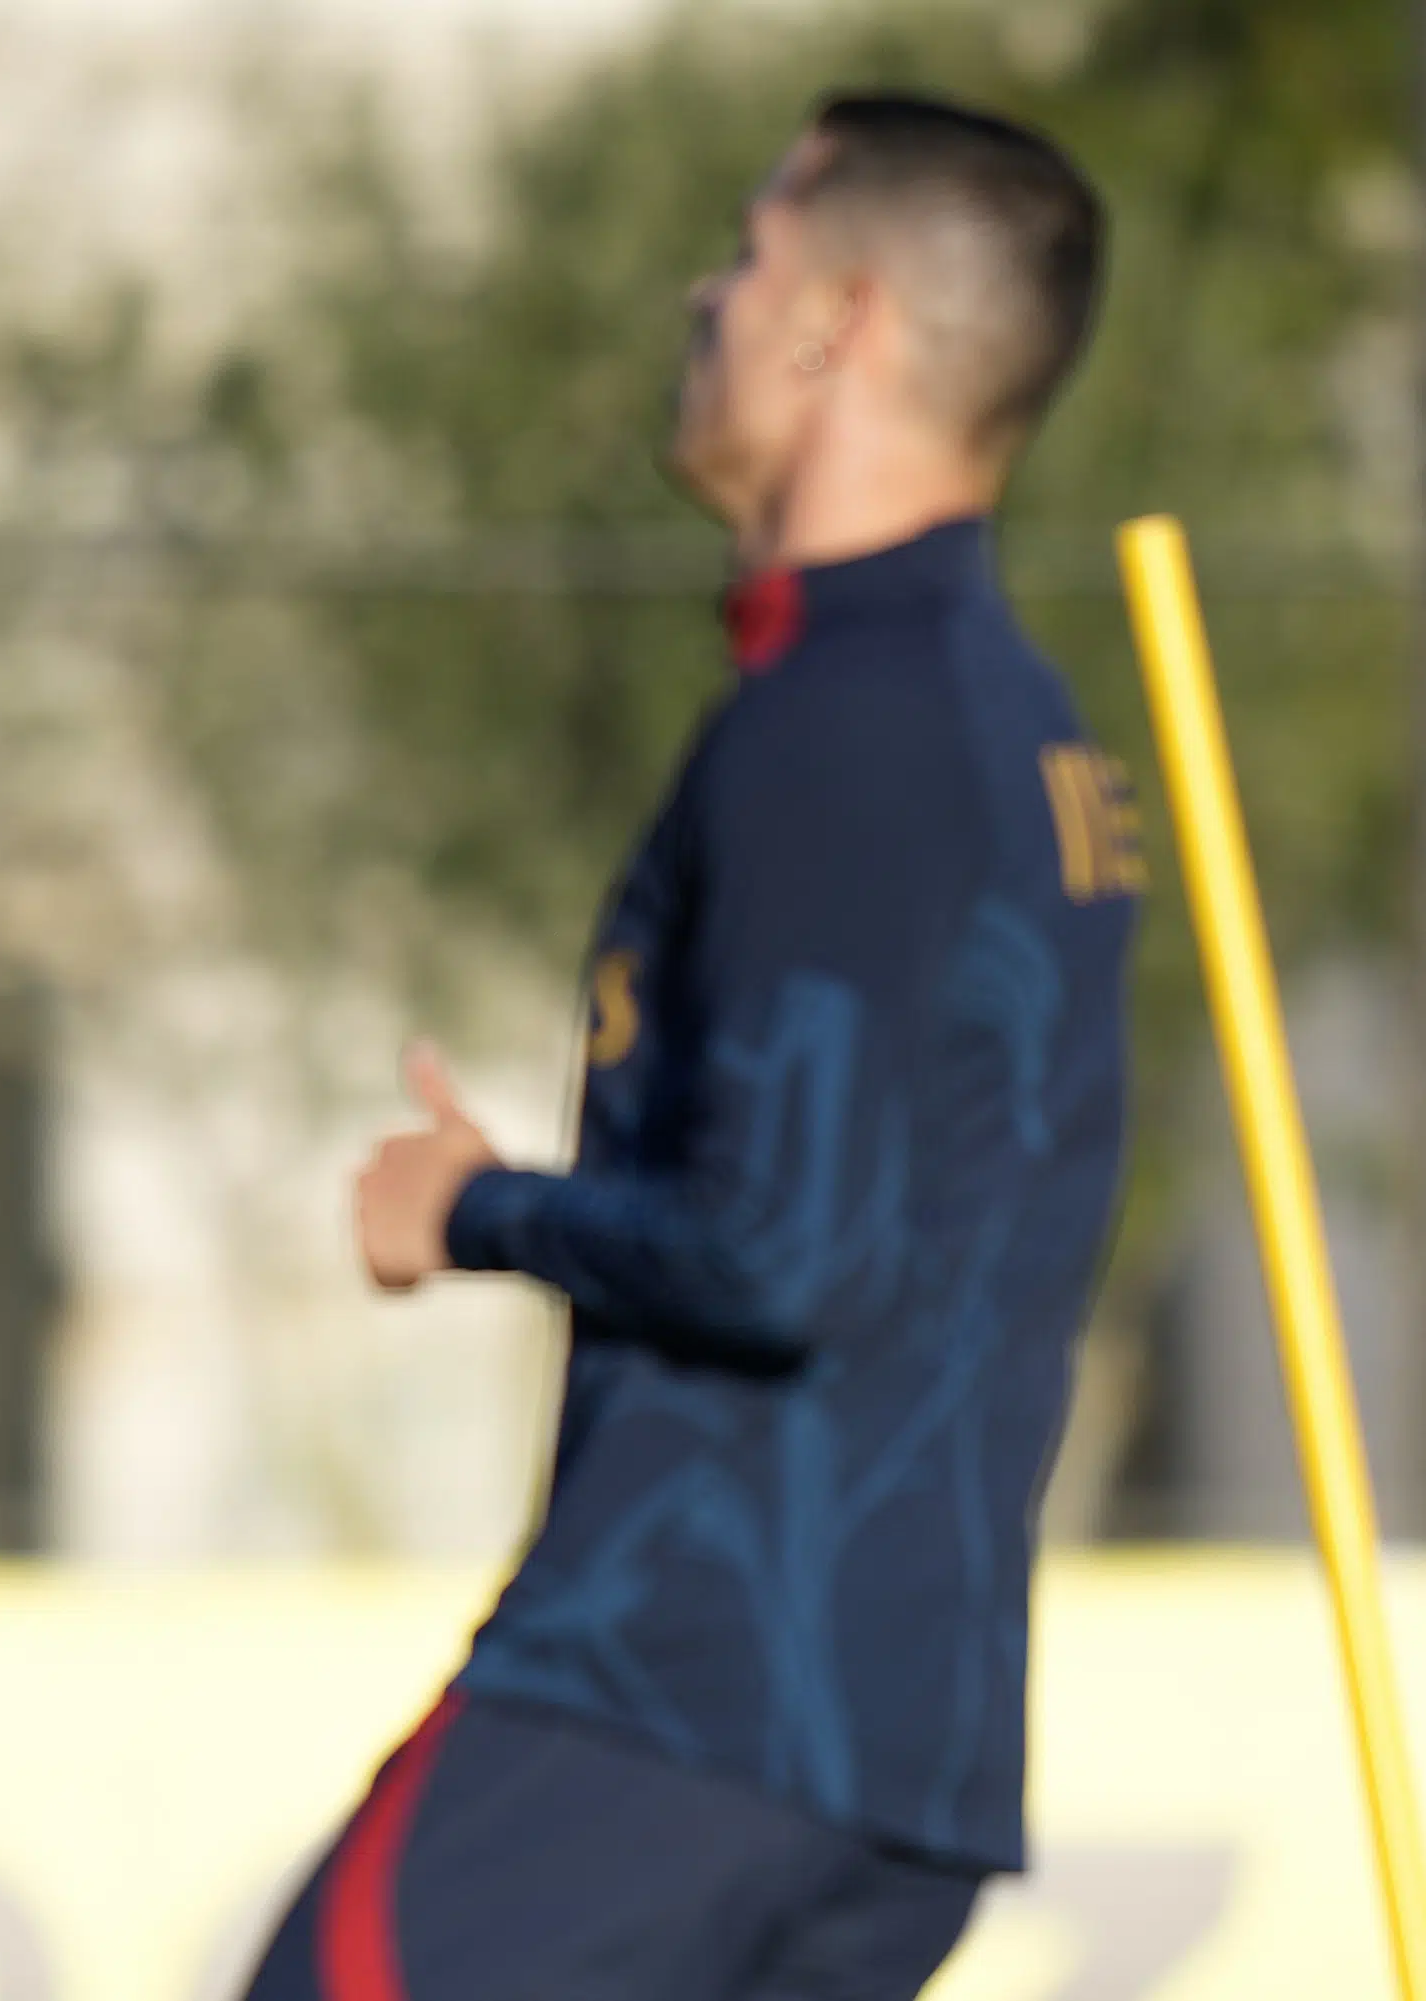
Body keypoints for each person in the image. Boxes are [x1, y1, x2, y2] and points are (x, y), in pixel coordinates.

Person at [251, 94, 1132, 2001]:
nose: (703, 294)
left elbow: (787, 1246)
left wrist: (481, 1206)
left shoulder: (846, 721)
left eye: (747, 256)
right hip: (910, 1759)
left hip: (682, 1696)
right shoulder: (1024, 729)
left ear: (841, 325)